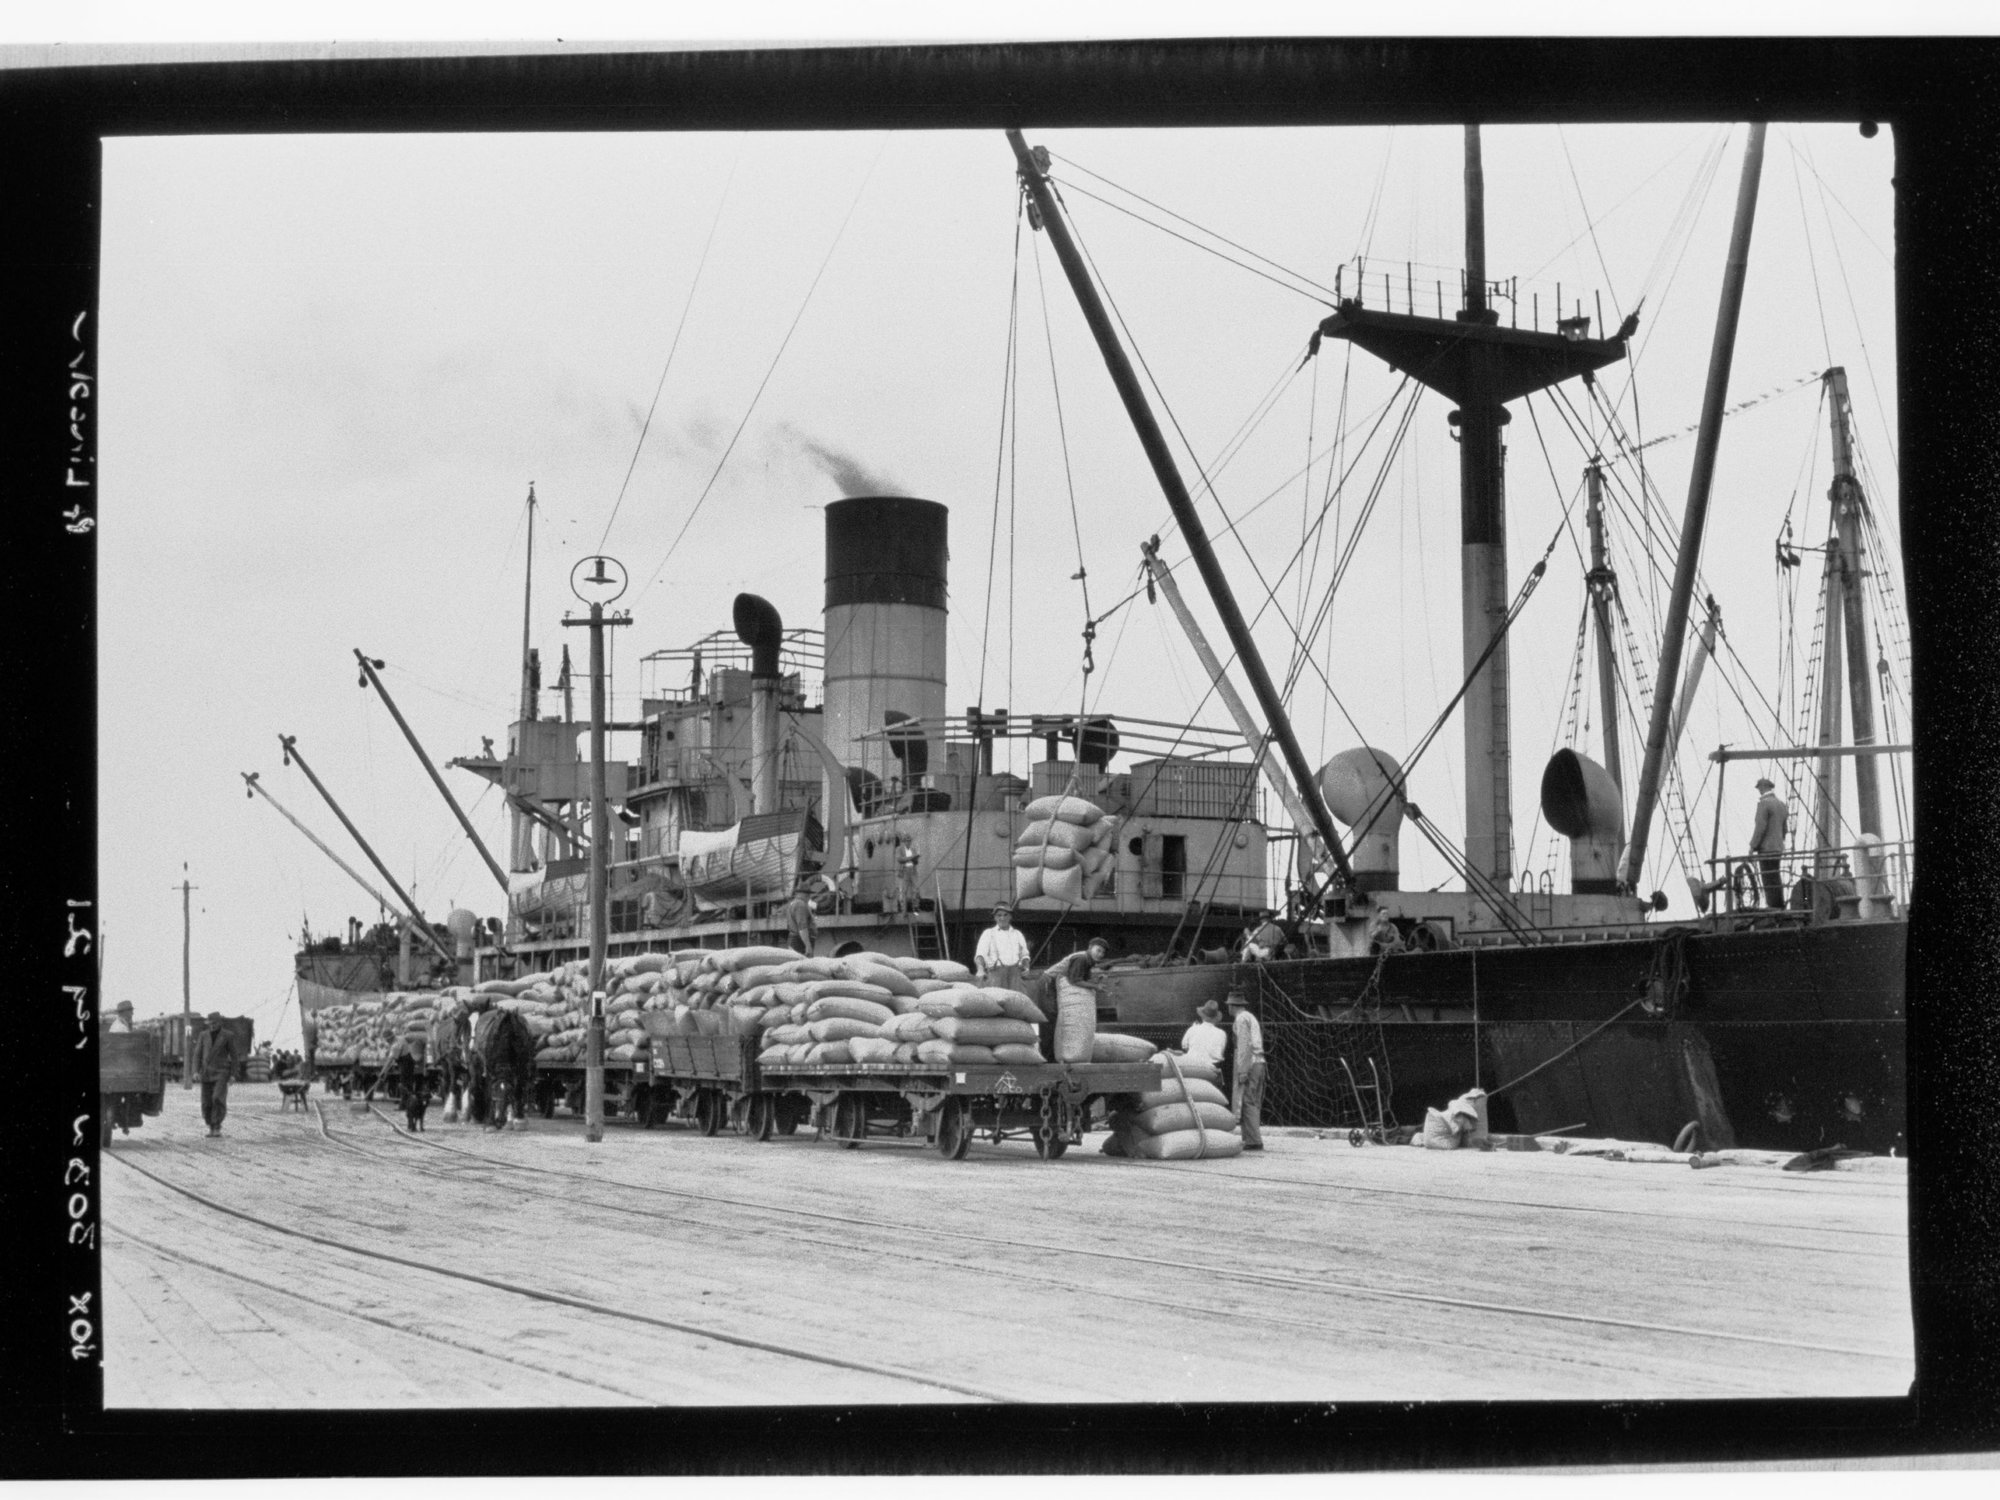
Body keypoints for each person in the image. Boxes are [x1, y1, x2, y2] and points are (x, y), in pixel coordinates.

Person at [1225, 988, 1266, 1150]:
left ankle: (1253, 1140)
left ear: (1232, 1006)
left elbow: (1244, 1045)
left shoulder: (1241, 1019)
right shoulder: (1251, 1017)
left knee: (1246, 1101)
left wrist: (1242, 1070)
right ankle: (1252, 1137)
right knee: (1253, 1101)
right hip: (1259, 1062)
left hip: (1250, 1063)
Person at [194, 1012, 241, 1138]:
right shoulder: (203, 1035)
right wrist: (195, 1071)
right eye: (210, 1023)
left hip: (221, 1072)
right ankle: (210, 1126)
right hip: (206, 1073)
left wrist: (233, 1075)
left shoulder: (228, 1035)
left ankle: (217, 1126)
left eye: (214, 1023)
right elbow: (197, 1054)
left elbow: (235, 1056)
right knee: (206, 1102)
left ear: (220, 1023)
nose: (212, 1026)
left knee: (217, 1098)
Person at [974, 902, 1032, 992]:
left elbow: (1024, 955)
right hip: (995, 977)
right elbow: (980, 954)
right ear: (995, 917)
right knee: (996, 1002)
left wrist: (1027, 967)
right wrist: (980, 969)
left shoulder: (1017, 934)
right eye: (999, 915)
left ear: (1010, 916)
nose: (1002, 918)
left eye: (1006, 915)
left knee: (1016, 1003)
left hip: (1015, 977)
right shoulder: (989, 933)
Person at [1750, 776, 1789, 909]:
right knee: (1775, 876)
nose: (1759, 791)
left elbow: (1760, 827)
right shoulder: (1782, 805)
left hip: (1766, 848)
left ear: (1763, 788)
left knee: (1767, 878)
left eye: (1759, 788)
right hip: (1778, 847)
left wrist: (1753, 846)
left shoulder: (1764, 804)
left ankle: (1772, 906)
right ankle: (1779, 904)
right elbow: (1785, 829)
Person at [1177, 999, 1228, 1069]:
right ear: (1215, 1017)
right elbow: (1220, 1053)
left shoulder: (1193, 1029)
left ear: (1202, 1016)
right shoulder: (1222, 1033)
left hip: (1191, 1065)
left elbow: (1184, 1046)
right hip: (1211, 1067)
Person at [784, 879, 818, 956]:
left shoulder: (793, 903)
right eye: (808, 895)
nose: (809, 897)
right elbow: (802, 927)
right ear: (805, 894)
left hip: (795, 940)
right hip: (800, 943)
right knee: (804, 966)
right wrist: (808, 946)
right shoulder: (800, 905)